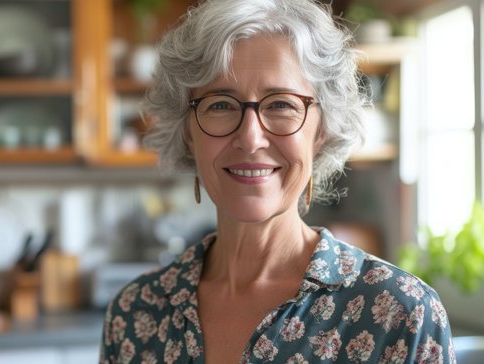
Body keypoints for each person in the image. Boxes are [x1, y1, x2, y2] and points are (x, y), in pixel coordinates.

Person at [100, 0, 455, 363]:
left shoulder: (401, 316)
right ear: (188, 132)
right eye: (220, 104)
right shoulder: (134, 314)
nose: (250, 138)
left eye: (281, 104)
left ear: (322, 130)